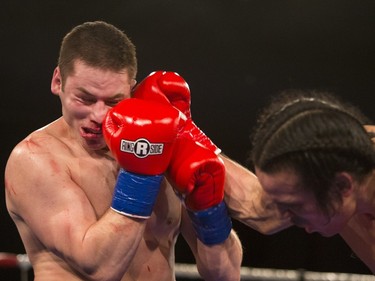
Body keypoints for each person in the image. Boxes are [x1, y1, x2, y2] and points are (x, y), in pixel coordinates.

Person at [4, 21, 246, 281]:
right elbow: (99, 267)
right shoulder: (34, 159)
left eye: (113, 101)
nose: (98, 115)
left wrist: (207, 210)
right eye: (84, 99)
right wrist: (141, 173)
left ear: (131, 91)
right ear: (57, 82)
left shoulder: (160, 143)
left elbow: (225, 273)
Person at [249, 89, 375, 273]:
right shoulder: (339, 151)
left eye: (295, 205)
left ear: (342, 186)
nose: (285, 216)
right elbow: (259, 208)